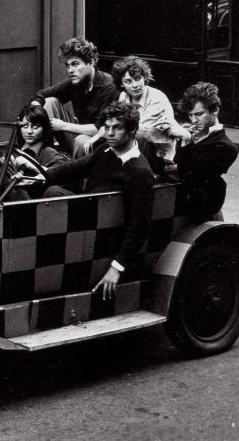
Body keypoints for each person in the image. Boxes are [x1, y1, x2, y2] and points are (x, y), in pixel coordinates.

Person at [26, 102, 154, 299]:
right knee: (43, 190)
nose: (110, 133)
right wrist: (39, 176)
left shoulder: (139, 171)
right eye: (107, 127)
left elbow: (139, 227)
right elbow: (73, 168)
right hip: (88, 219)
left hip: (102, 236)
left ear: (132, 130)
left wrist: (116, 268)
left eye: (117, 128)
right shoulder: (105, 150)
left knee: (53, 194)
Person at [30, 37, 117, 158]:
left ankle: (77, 174)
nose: (70, 70)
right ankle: (43, 155)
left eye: (75, 64)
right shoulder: (75, 83)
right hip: (77, 135)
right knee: (49, 102)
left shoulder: (108, 86)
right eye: (67, 65)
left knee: (82, 141)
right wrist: (36, 111)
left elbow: (102, 128)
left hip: (99, 143)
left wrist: (63, 126)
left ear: (91, 62)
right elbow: (41, 95)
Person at [174, 82, 239, 223]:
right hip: (177, 199)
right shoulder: (193, 133)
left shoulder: (226, 147)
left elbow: (190, 175)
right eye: (190, 115)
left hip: (199, 208)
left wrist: (185, 143)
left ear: (214, 110)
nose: (193, 120)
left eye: (199, 114)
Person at [0, 104, 68, 199]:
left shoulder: (49, 153)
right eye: (25, 126)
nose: (29, 131)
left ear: (44, 128)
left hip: (28, 202)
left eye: (35, 127)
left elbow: (61, 175)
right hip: (1, 200)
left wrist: (36, 170)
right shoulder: (9, 149)